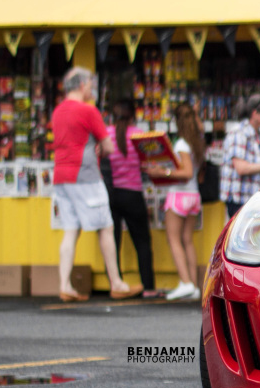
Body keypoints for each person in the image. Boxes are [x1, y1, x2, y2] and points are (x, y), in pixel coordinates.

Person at [50, 68, 139, 301]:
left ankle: (65, 285)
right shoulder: (88, 110)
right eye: (90, 84)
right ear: (81, 86)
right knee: (106, 227)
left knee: (70, 230)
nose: (92, 88)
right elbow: (109, 147)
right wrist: (99, 148)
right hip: (85, 174)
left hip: (61, 175)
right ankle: (117, 283)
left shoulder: (57, 112)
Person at [147, 103, 206, 301]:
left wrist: (163, 172)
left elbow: (187, 173)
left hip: (179, 195)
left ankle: (185, 282)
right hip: (194, 197)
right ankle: (194, 286)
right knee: (187, 240)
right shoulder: (197, 141)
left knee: (173, 239)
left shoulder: (181, 144)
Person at [104, 99, 159, 298]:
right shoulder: (138, 135)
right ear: (132, 116)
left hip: (111, 195)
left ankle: (115, 283)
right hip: (133, 194)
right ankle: (149, 287)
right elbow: (148, 163)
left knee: (112, 241)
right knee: (142, 242)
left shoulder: (107, 135)